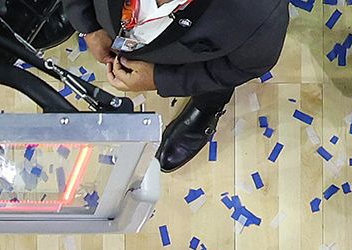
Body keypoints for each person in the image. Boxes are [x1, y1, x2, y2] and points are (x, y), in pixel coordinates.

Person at [63, 0, 290, 172]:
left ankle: (208, 105)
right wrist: (88, 25)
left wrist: (161, 79)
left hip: (196, 60)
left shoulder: (260, 12)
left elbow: (245, 66)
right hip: (115, 25)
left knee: (213, 82)